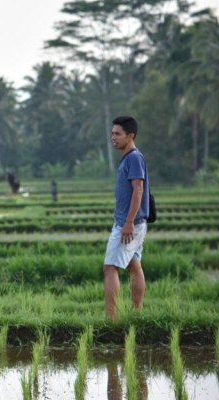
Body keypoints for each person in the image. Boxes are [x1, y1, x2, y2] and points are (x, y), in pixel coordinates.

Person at [103, 116, 150, 319]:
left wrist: (128, 222)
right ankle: (136, 313)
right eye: (112, 133)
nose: (113, 137)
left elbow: (138, 189)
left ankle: (111, 319)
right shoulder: (130, 157)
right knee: (133, 265)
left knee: (110, 267)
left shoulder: (133, 157)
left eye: (117, 134)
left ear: (130, 135)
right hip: (133, 223)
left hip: (129, 223)